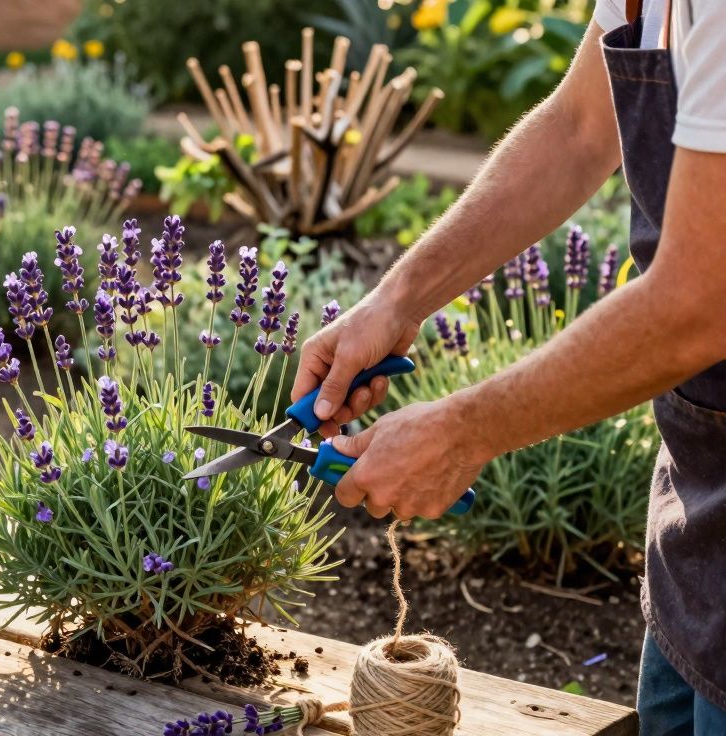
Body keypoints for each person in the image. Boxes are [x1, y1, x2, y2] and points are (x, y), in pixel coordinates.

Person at [290, 1, 725, 733]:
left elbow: (699, 301)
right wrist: (395, 301)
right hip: (697, 517)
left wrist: (463, 431)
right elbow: (580, 129)